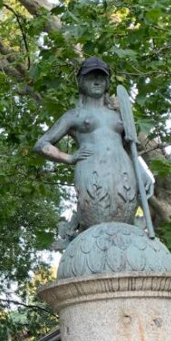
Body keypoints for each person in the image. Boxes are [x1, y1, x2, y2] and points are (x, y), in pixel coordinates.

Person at [33, 57, 140, 233]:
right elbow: (41, 144)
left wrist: (143, 176)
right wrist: (68, 157)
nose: (97, 81)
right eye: (91, 77)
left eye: (101, 77)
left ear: (107, 83)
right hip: (93, 171)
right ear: (82, 82)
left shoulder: (118, 115)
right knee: (96, 221)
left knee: (124, 223)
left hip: (124, 173)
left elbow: (132, 150)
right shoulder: (75, 115)